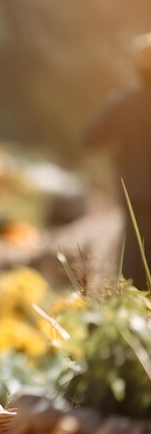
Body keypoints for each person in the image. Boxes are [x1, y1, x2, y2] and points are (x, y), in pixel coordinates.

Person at [84, 33, 151, 290]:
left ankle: (133, 319)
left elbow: (89, 137)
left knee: (133, 259)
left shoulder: (123, 103)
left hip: (132, 193)